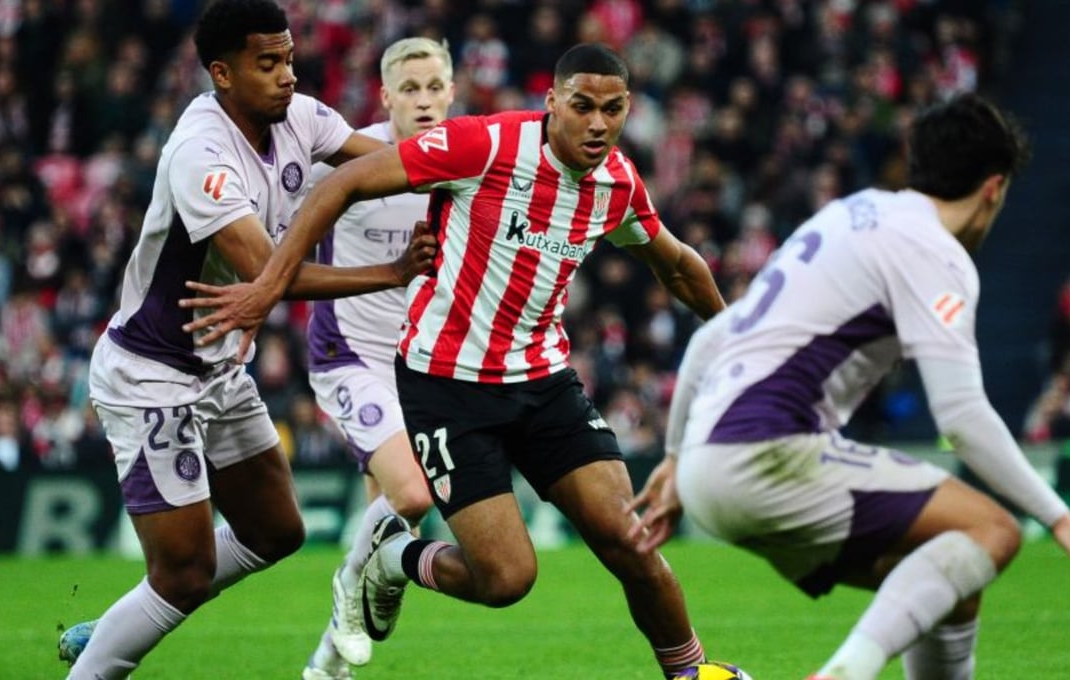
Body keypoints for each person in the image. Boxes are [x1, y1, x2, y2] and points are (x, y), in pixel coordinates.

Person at [182, 43, 728, 678]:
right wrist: (270, 286)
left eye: (612, 110)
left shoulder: (617, 184)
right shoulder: (485, 145)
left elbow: (677, 265)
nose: (598, 124)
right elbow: (344, 181)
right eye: (582, 106)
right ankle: (396, 561)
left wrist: (739, 340)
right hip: (446, 386)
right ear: (552, 102)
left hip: (543, 381)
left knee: (629, 539)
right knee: (507, 579)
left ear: (629, 108)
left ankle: (692, 674)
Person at [626, 93, 1070, 680]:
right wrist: (1065, 523)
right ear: (994, 189)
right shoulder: (935, 253)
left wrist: (676, 458)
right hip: (769, 451)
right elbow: (961, 416)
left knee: (947, 581)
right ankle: (843, 674)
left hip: (706, 465)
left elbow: (710, 340)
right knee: (992, 530)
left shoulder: (848, 214)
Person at [56, 2, 436, 678]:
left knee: (276, 531)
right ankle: (107, 653)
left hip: (220, 368)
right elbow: (269, 272)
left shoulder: (302, 117)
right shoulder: (199, 153)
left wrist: (483, 166)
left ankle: (120, 623)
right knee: (182, 573)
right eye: (268, 64)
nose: (287, 75)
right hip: (153, 375)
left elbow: (388, 163)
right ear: (223, 74)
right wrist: (392, 272)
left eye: (288, 59)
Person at [300, 36, 455, 680]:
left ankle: (326, 665)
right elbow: (281, 238)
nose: (424, 101)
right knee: (413, 494)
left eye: (435, 87)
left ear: (452, 92)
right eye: (409, 89)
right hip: (348, 354)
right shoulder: (348, 162)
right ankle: (349, 592)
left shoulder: (466, 163)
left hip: (419, 364)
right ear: (385, 96)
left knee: (382, 533)